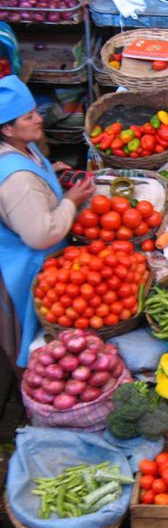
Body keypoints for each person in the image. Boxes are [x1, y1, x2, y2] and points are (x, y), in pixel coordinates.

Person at [0, 75, 94, 372]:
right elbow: (41, 235)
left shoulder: (23, 147)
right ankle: (28, 390)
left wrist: (51, 173)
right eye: (29, 116)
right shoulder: (18, 180)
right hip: (27, 266)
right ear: (7, 129)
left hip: (48, 259)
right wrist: (72, 201)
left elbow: (34, 173)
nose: (39, 118)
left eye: (35, 111)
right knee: (34, 340)